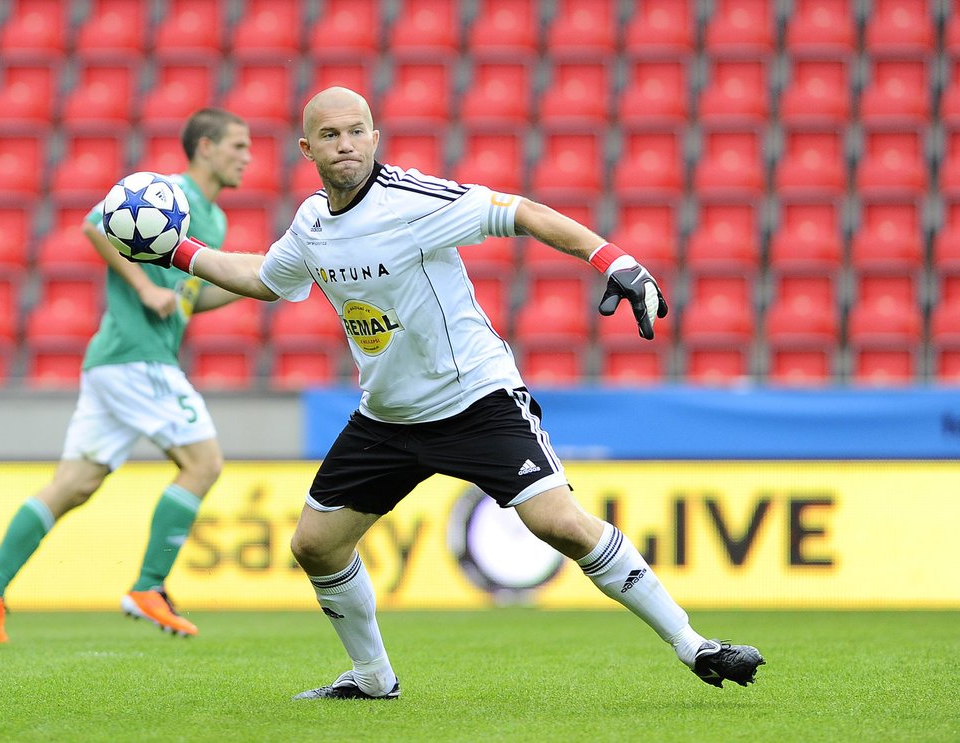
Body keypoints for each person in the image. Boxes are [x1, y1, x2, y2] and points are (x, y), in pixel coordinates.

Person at [130, 87, 766, 697]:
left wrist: (614, 261)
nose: (346, 144)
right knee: (313, 545)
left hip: (476, 402)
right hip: (387, 418)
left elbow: (521, 212)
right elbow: (265, 277)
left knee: (561, 525)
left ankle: (693, 644)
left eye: (357, 131)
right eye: (330, 135)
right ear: (308, 150)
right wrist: (179, 251)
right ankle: (373, 678)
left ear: (375, 137)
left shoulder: (412, 199)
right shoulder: (312, 223)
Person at [0, 108, 253, 643]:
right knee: (203, 463)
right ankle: (149, 586)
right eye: (237, 146)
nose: (247, 157)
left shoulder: (216, 218)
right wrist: (143, 288)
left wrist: (258, 282)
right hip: (138, 356)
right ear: (205, 147)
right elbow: (95, 224)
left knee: (75, 483)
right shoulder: (167, 192)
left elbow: (191, 297)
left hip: (111, 362)